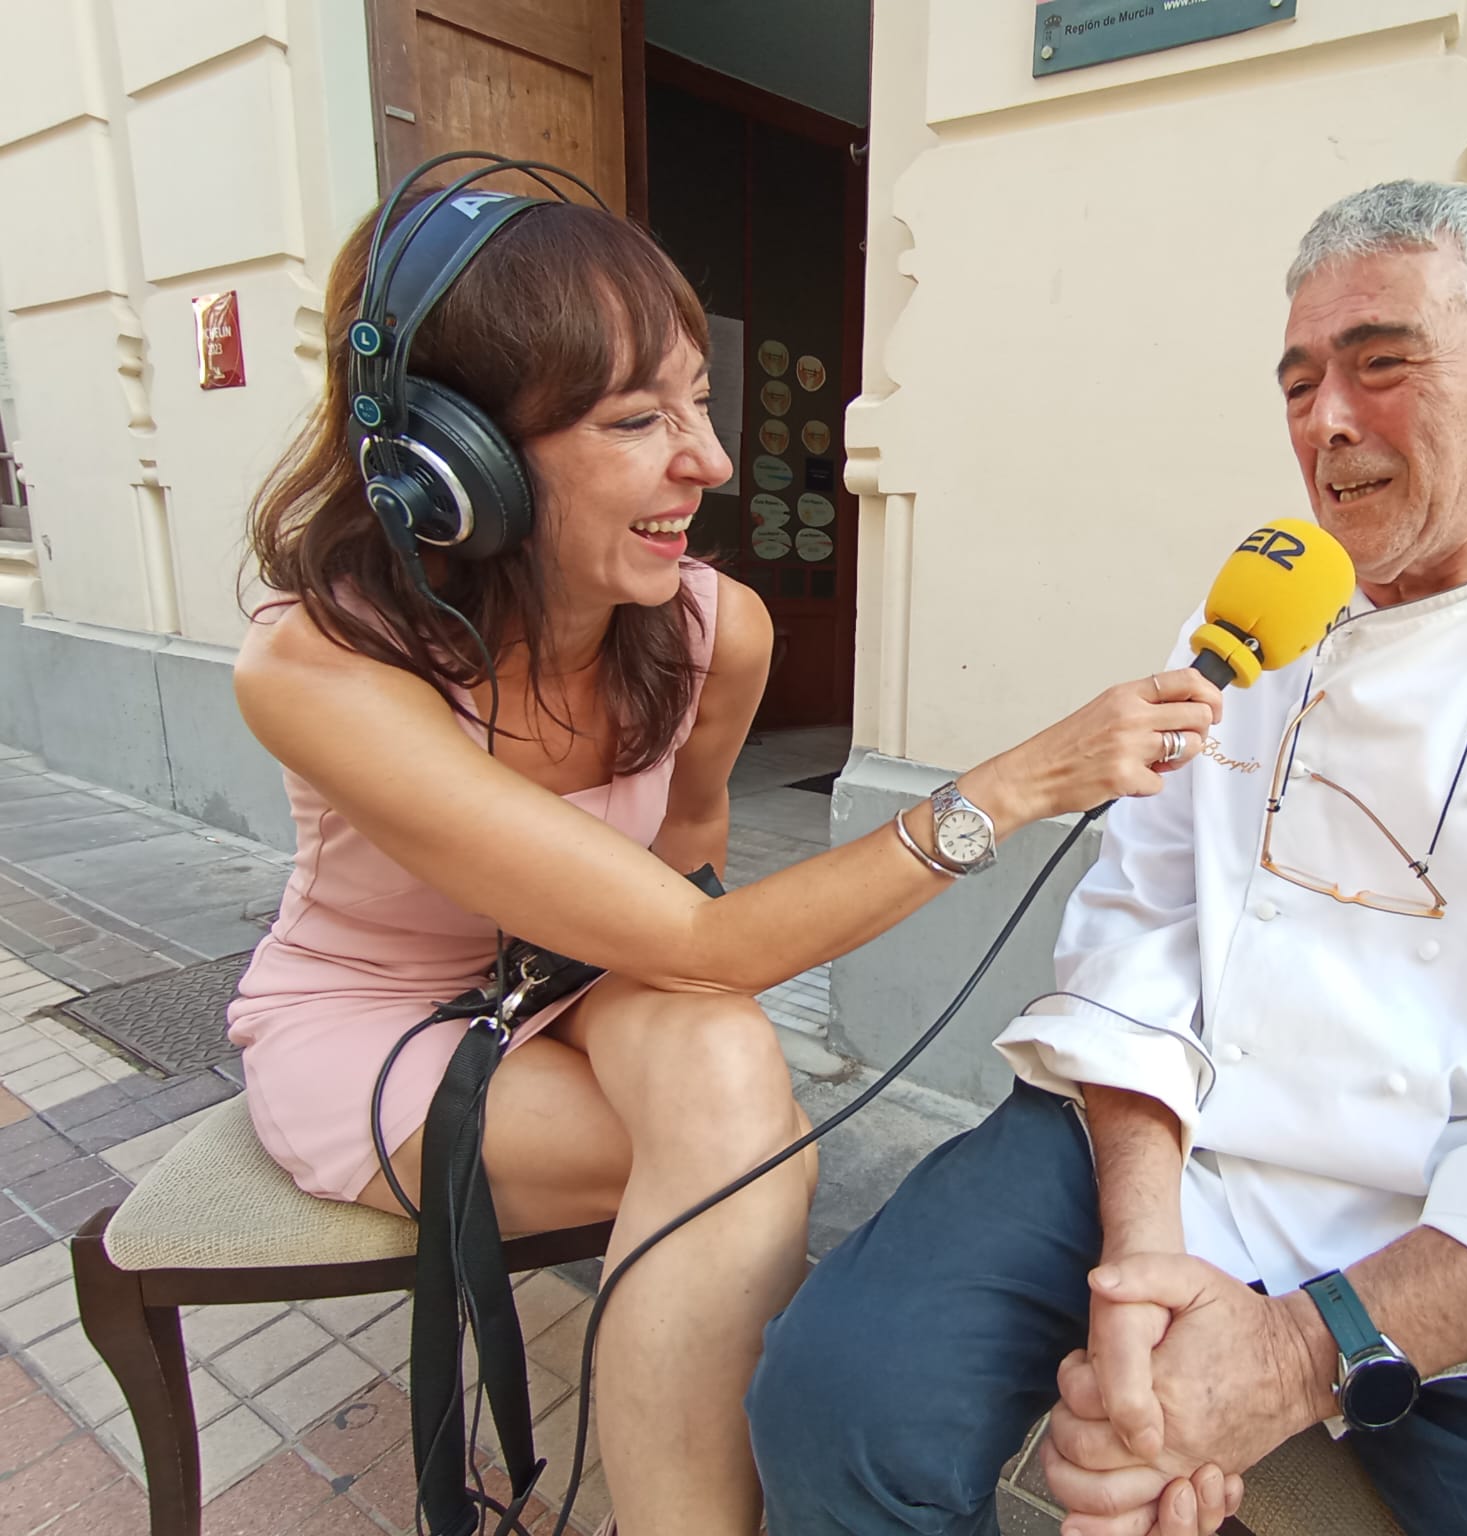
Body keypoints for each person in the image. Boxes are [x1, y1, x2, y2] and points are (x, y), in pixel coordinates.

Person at [747, 180, 1467, 1536]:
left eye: (1383, 366)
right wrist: (1145, 1264)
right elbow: (1138, 933)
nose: (1329, 423)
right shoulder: (1246, 631)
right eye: (1300, 382)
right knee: (835, 1399)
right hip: (1181, 1143)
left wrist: (1282, 1359)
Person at [227, 185, 1222, 1536]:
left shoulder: (714, 631)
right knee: (738, 1150)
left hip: (579, 980)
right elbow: (704, 945)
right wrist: (1020, 783)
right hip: (376, 1016)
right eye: (638, 421)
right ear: (456, 462)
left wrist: (659, 1027)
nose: (707, 459)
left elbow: (684, 874)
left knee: (722, 1073)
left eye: (700, 402)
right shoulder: (318, 665)